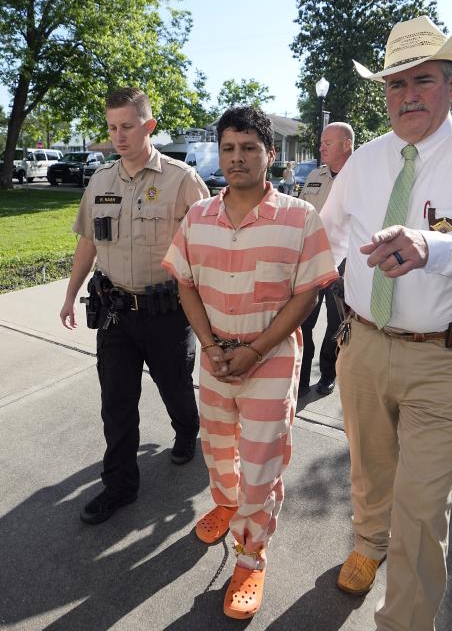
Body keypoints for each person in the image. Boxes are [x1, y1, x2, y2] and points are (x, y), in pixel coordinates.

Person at [319, 17, 452, 630]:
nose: (407, 95)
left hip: (448, 359)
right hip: (362, 344)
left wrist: (434, 246)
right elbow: (324, 235)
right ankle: (366, 543)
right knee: (369, 469)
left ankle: (404, 623)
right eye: (396, 84)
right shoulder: (363, 161)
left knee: (420, 508)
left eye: (422, 81)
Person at [162, 105, 338, 619]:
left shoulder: (299, 218)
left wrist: (254, 350)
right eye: (228, 148)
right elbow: (186, 285)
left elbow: (305, 297)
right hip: (216, 359)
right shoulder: (198, 217)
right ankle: (225, 505)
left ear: (269, 153)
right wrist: (212, 348)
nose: (236, 159)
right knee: (217, 449)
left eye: (248, 148)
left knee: (261, 464)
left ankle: (251, 557)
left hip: (271, 360)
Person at [60, 87, 209, 525]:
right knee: (117, 403)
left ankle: (187, 430)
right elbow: (88, 240)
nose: (118, 136)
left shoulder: (182, 180)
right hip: (116, 313)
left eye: (127, 126)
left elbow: (207, 246)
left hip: (167, 312)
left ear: (149, 126)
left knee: (176, 387)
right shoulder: (101, 180)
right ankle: (120, 485)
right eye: (111, 127)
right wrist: (71, 294)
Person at [297, 122, 354, 397]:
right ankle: (300, 378)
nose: (321, 147)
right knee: (303, 319)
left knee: (335, 322)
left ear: (346, 144)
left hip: (345, 262)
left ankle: (328, 373)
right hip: (311, 259)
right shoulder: (314, 176)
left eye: (327, 143)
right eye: (321, 142)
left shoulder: (362, 177)